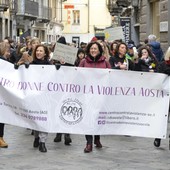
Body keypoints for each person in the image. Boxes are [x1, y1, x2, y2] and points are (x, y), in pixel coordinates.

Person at [79, 41, 111, 153]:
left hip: (100, 96)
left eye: (95, 49)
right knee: (88, 118)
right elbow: (77, 76)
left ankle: (97, 138)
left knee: (98, 118)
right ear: (88, 50)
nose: (93, 50)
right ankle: (88, 143)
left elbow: (110, 78)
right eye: (91, 48)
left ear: (99, 50)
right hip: (87, 95)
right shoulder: (83, 62)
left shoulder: (105, 63)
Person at [31, 44, 51, 152]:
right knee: (35, 119)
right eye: (37, 51)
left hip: (45, 97)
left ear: (45, 53)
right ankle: (36, 137)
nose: (38, 52)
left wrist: (58, 68)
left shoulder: (49, 65)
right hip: (34, 96)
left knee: (44, 119)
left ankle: (43, 142)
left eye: (41, 51)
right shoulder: (31, 65)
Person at [53, 36, 72, 145]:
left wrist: (65, 63)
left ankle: (65, 134)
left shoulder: (70, 57)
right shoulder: (53, 57)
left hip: (67, 86)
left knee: (66, 109)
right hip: (57, 86)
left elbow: (73, 68)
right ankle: (59, 133)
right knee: (59, 109)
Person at [153, 47, 170, 147]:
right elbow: (159, 76)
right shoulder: (163, 64)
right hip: (164, 95)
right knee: (162, 117)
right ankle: (158, 137)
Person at [0, 41, 11, 148]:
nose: (9, 52)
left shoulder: (4, 61)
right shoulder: (3, 61)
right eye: (8, 50)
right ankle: (0, 137)